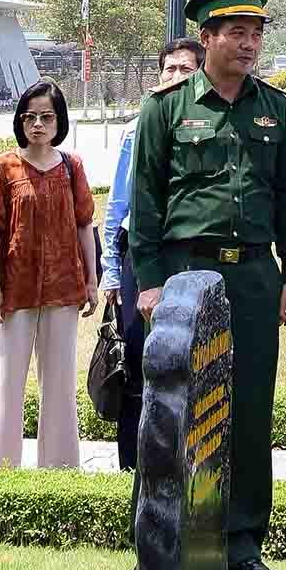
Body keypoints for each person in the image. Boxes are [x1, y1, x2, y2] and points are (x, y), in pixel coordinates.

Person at [128, 0, 286, 570]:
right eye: (236, 31)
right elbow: (144, 202)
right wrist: (149, 283)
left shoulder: (275, 110)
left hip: (255, 275)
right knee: (173, 405)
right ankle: (161, 536)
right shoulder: (166, 109)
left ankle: (243, 541)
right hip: (185, 272)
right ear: (207, 37)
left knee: (251, 409)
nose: (249, 43)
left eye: (256, 31)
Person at [0, 79, 98, 469]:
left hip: (64, 288)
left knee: (60, 385)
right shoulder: (4, 166)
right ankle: (3, 471)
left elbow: (85, 223)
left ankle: (60, 472)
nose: (37, 124)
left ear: (58, 121)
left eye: (46, 117)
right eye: (30, 116)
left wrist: (91, 280)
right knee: (8, 384)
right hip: (14, 289)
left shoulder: (71, 166)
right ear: (19, 120)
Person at [104, 39, 202, 470]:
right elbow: (118, 206)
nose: (177, 77)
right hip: (138, 259)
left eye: (187, 69)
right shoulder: (136, 127)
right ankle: (133, 462)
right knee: (138, 360)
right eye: (170, 69)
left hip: (186, 253)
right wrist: (111, 271)